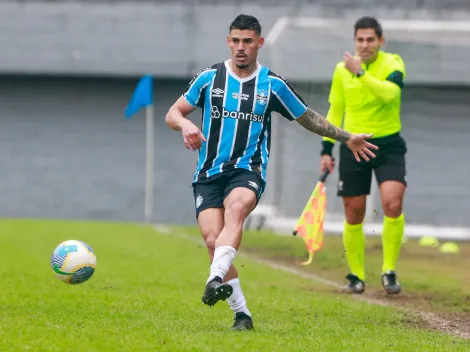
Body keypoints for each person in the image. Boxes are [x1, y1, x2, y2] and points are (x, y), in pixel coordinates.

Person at [165, 14, 378, 331]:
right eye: (235, 40)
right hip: (208, 173)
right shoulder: (210, 78)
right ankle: (242, 315)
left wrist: (347, 138)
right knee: (212, 240)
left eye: (248, 41)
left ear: (259, 43)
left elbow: (308, 118)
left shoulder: (272, 85)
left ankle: (213, 278)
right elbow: (173, 112)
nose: (241, 47)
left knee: (235, 210)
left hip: (248, 170)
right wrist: (185, 124)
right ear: (228, 41)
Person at [319, 16, 407, 295]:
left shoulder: (393, 63)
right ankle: (356, 275)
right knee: (354, 214)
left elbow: (390, 95)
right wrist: (326, 149)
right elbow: (335, 111)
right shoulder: (341, 70)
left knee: (392, 204)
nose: (365, 44)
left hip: (388, 146)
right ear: (354, 41)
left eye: (371, 39)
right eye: (360, 39)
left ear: (381, 41)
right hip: (353, 146)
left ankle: (389, 271)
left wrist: (361, 74)